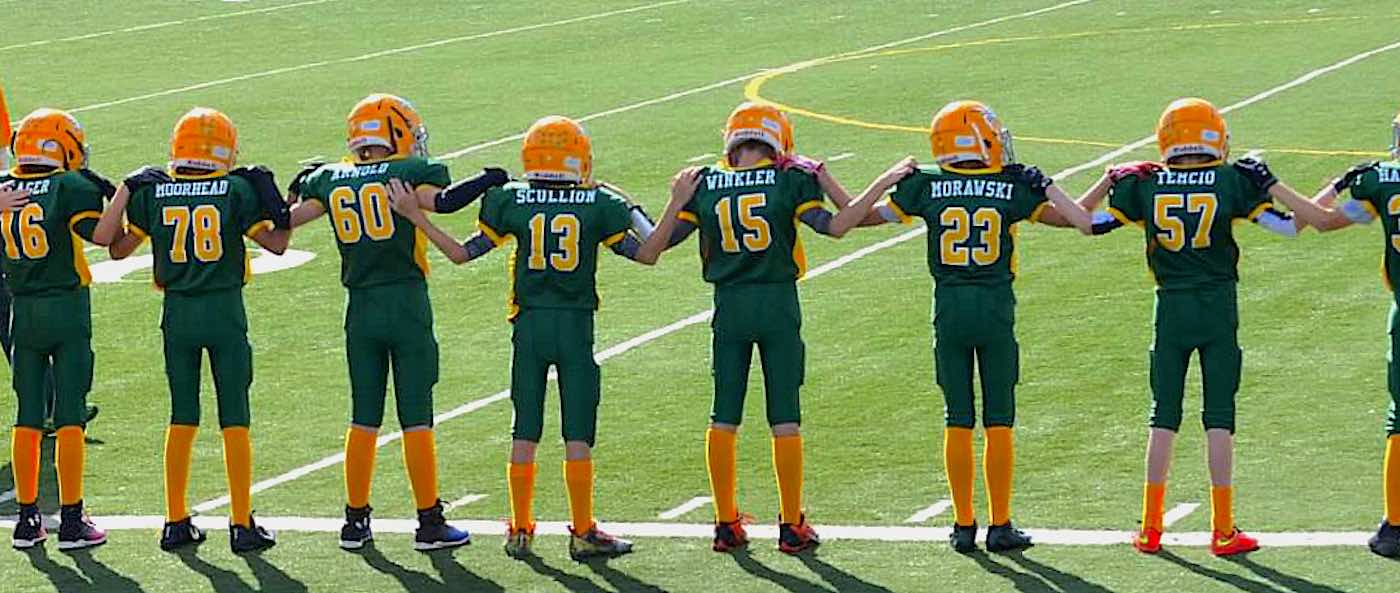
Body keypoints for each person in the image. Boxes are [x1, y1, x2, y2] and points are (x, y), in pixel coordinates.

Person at [388, 115, 679, 560]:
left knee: (524, 429)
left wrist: (415, 217)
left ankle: (520, 528)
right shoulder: (598, 202)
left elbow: (462, 254)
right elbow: (649, 252)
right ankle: (582, 529)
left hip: (528, 328)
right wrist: (665, 203)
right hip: (575, 328)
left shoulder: (510, 199)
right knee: (577, 432)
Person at [847, 100, 1094, 553]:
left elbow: (859, 218)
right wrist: (1055, 185)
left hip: (949, 312)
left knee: (957, 418)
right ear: (977, 141)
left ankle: (963, 525)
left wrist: (883, 182)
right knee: (999, 419)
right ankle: (1000, 524)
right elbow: (1077, 219)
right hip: (995, 312)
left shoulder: (926, 185)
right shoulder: (1009, 187)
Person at [1082, 97, 1322, 556]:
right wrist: (1274, 183)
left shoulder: (1146, 184)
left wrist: (1109, 178)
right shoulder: (1231, 180)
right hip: (1217, 308)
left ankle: (1150, 527)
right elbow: (1292, 227)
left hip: (1170, 309)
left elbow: (1089, 223)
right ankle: (1223, 528)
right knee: (1219, 417)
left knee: (1163, 416)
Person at [649, 102, 872, 555]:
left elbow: (661, 240)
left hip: (729, 306)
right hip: (778, 304)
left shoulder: (705, 182)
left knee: (723, 415)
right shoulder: (791, 179)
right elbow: (833, 225)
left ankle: (724, 522)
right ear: (778, 141)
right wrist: (834, 176)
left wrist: (675, 200)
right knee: (784, 415)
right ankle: (791, 524)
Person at [284, 93, 501, 551]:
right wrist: (488, 179)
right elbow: (445, 202)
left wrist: (291, 188)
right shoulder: (407, 173)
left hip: (360, 308)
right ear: (395, 134)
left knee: (363, 415)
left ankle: (355, 520)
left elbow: (284, 222)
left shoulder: (330, 178)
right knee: (416, 414)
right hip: (406, 304)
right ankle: (429, 520)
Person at [93, 107, 290, 553]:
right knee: (234, 415)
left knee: (182, 415)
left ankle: (175, 519)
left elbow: (115, 248)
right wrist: (275, 200)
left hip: (177, 314)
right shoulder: (235, 189)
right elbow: (277, 244)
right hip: (224, 312)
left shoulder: (153, 193)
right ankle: (241, 522)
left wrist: (126, 188)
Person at [1261, 109, 1400, 558]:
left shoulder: (1380, 183)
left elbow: (1316, 220)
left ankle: (1396, 525)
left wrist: (1337, 183)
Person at [2, 108, 113, 550]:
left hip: (22, 312)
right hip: (66, 308)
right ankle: (71, 519)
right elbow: (103, 236)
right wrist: (122, 196)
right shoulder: (70, 186)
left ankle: (27, 520)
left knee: (27, 417)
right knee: (69, 416)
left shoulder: (5, 187)